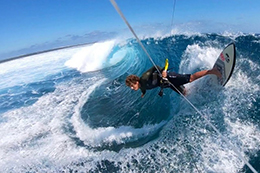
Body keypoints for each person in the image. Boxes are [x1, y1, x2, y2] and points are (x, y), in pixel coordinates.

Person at [125, 65, 221, 97]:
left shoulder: (144, 78)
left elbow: (155, 67)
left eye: (132, 86)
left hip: (168, 77)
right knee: (185, 93)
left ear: (136, 82)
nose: (132, 88)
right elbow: (143, 88)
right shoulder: (142, 86)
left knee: (191, 78)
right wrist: (143, 93)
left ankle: (212, 71)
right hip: (167, 84)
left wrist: (163, 72)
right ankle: (204, 86)